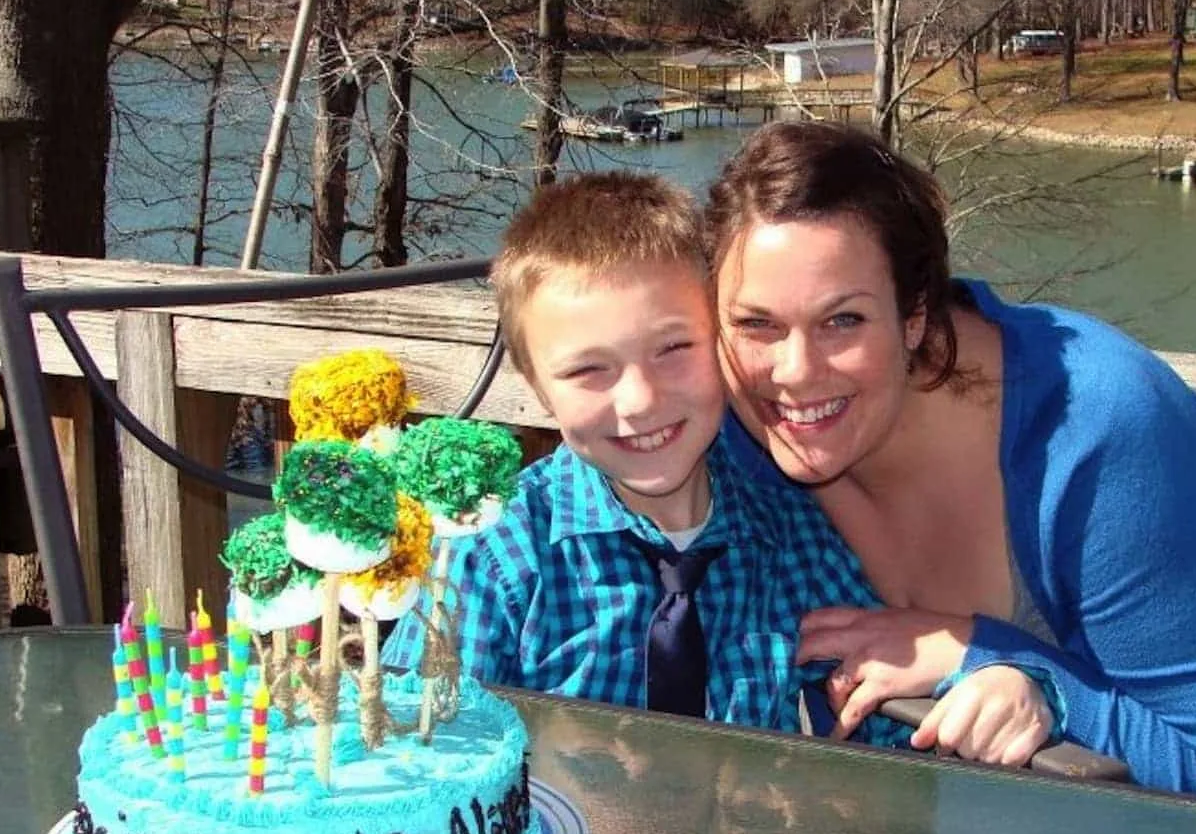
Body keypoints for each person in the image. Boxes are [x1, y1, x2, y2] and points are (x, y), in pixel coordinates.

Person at [706, 120, 1196, 795]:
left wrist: (983, 651)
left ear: (913, 313)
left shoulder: (1096, 436)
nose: (794, 373)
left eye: (843, 321)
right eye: (755, 325)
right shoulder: (730, 423)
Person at [384, 171, 903, 741]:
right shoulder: (491, 552)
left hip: (741, 828)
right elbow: (418, 751)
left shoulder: (790, 535)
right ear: (536, 385)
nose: (640, 400)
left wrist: (982, 676)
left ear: (725, 342)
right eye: (589, 369)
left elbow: (887, 706)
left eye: (674, 348)